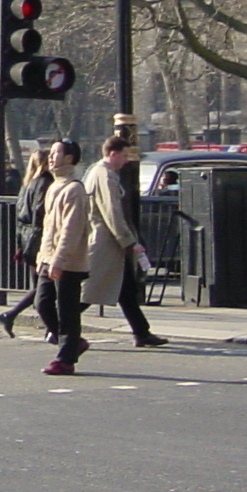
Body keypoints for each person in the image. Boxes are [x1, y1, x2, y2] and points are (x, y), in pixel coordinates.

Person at [84, 135, 169, 349]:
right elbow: (112, 211)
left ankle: (141, 332)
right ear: (112, 154)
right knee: (92, 289)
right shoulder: (105, 176)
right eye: (123, 156)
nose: (125, 161)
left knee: (126, 289)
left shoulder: (96, 171)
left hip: (108, 240)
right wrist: (129, 241)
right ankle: (59, 325)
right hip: (107, 242)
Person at [35, 140, 90, 375]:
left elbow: (71, 228)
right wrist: (42, 256)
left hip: (67, 260)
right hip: (48, 256)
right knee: (42, 303)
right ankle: (73, 342)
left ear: (69, 158)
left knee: (67, 309)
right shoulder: (54, 186)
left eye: (56, 153)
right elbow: (49, 227)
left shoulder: (74, 189)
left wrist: (59, 259)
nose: (51, 157)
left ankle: (66, 359)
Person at [0, 146, 57, 339]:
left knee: (40, 286)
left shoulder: (27, 184)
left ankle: (49, 327)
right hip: (39, 238)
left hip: (26, 237)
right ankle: (49, 327)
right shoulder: (46, 183)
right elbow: (42, 212)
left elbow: (21, 214)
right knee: (45, 287)